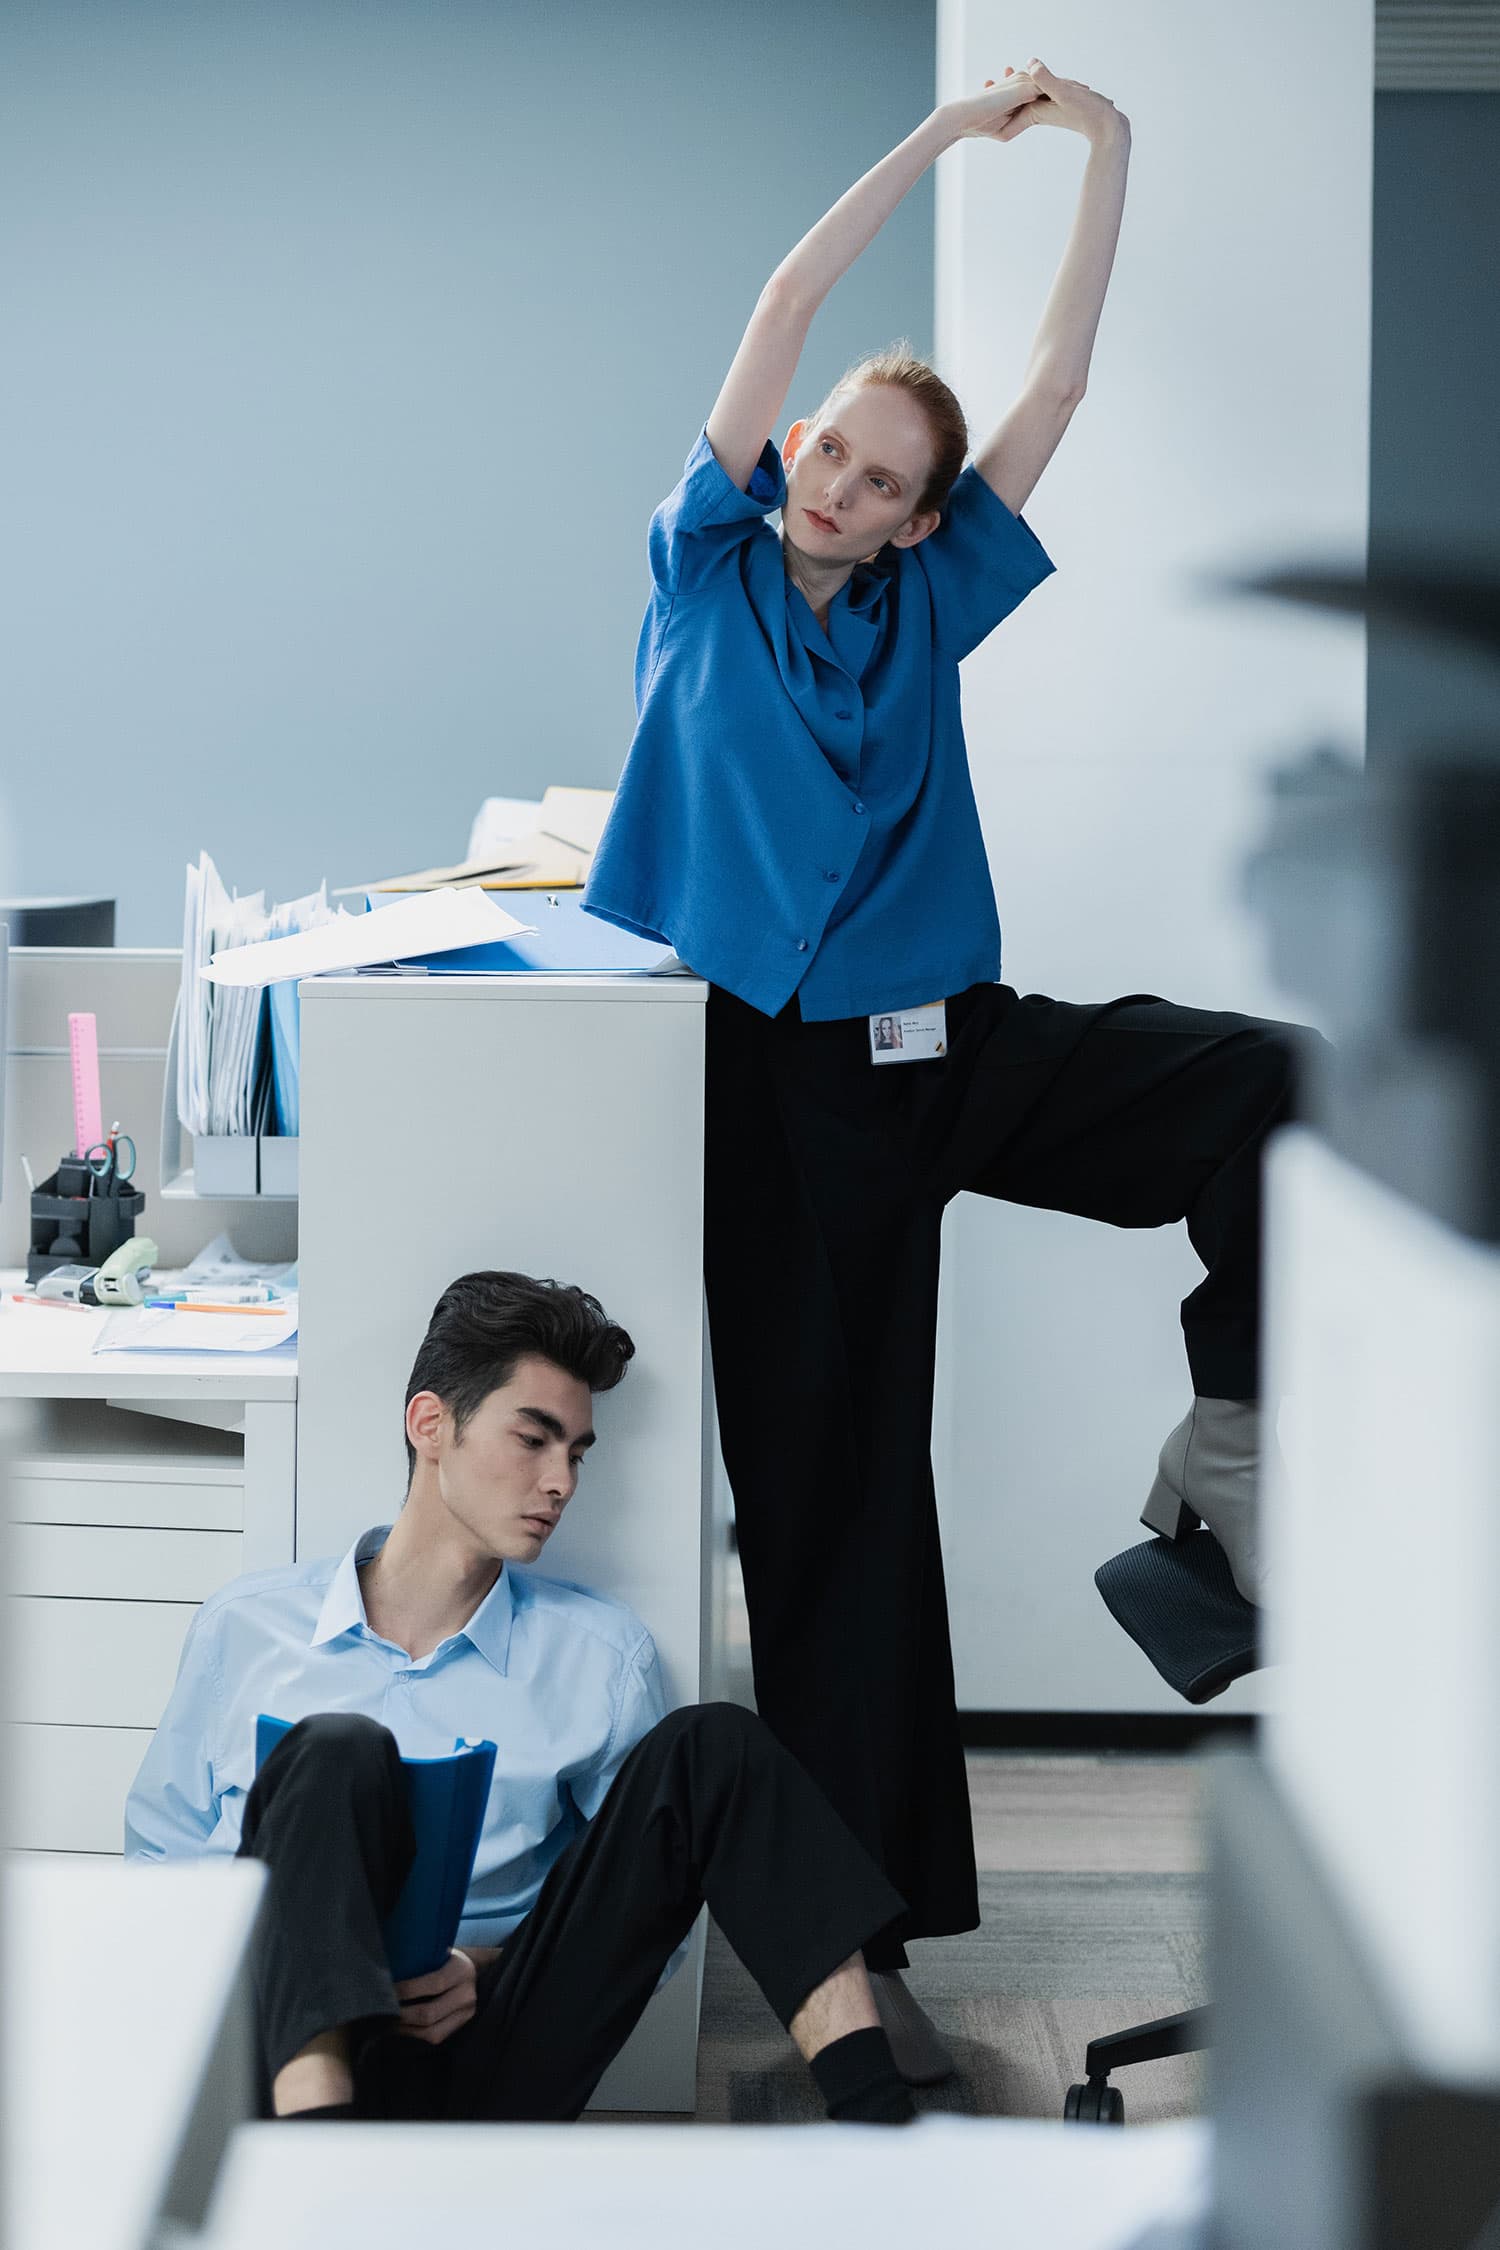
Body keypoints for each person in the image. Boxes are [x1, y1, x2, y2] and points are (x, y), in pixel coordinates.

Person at [585, 60, 1310, 2082]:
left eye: (888, 482)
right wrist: (930, 148)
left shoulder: (928, 608)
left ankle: (1232, 1441)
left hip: (950, 1047)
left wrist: (1112, 148)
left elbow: (1056, 391)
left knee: (1274, 1083)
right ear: (792, 452)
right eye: (830, 456)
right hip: (779, 1087)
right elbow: (786, 300)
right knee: (837, 1509)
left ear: (920, 517)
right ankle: (852, 1955)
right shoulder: (701, 570)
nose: (844, 492)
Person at [124, 1270, 915, 2125]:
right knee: (334, 1751)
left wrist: (480, 1966)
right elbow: (161, 1872)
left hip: (484, 2052)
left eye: (574, 1453)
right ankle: (317, 2155)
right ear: (431, 1425)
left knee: (715, 1743)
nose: (562, 1482)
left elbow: (638, 1926)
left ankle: (880, 2128)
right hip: (277, 2056)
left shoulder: (599, 1657)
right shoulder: (247, 1626)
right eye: (533, 1440)